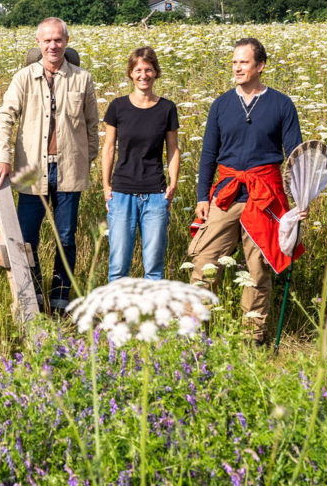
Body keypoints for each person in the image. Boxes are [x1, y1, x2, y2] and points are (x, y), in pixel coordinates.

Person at [189, 37, 304, 344]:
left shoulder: (282, 104)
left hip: (265, 197)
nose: (237, 67)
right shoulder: (222, 104)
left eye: (243, 62)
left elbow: (295, 156)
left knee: (257, 273)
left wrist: (299, 200)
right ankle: (196, 336)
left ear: (260, 66)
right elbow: (208, 155)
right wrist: (203, 196)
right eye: (235, 62)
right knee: (204, 264)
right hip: (225, 196)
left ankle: (252, 339)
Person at [0, 17, 99, 312]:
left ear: (66, 42)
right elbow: (5, 118)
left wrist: (85, 159)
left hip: (69, 169)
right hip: (31, 169)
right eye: (47, 40)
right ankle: (33, 296)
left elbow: (91, 125)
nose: (53, 45)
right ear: (38, 43)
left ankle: (61, 300)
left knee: (65, 237)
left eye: (58, 40)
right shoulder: (23, 78)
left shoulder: (82, 79)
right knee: (27, 238)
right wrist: (3, 157)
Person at [101, 46, 180, 281]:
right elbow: (108, 147)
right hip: (121, 193)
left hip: (156, 194)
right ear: (130, 73)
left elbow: (173, 149)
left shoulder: (167, 108)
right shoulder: (117, 106)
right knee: (118, 265)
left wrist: (173, 185)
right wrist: (106, 185)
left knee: (154, 266)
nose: (143, 75)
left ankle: (150, 316)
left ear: (156, 72)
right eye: (137, 70)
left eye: (148, 69)